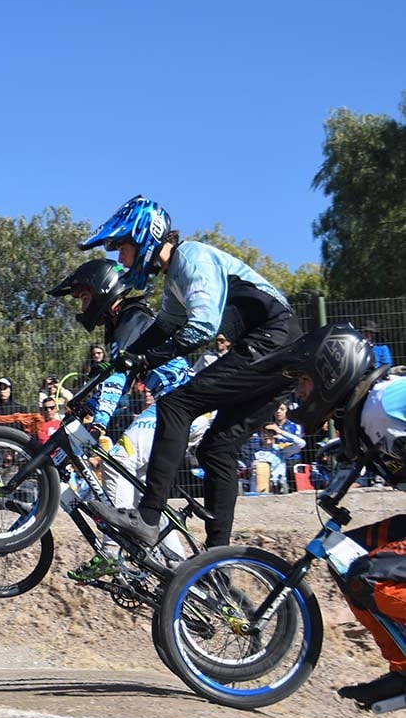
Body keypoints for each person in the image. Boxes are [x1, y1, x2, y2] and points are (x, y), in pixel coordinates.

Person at [81, 195, 301, 548]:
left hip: (273, 341)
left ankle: (147, 518)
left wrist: (142, 360)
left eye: (121, 248)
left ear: (143, 238)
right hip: (278, 350)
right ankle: (217, 559)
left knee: (175, 406)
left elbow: (201, 328)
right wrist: (123, 362)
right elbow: (165, 327)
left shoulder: (193, 258)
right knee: (217, 448)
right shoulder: (174, 280)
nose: (119, 259)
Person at [251, 323, 406, 709]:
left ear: (331, 370)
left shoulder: (387, 400)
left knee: (371, 575)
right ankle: (403, 670)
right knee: (345, 555)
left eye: (303, 381)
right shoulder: (367, 414)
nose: (299, 393)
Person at [48, 258, 196, 578]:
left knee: (119, 457)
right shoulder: (122, 325)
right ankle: (184, 576)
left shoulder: (131, 319)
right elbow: (118, 378)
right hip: (176, 405)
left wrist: (100, 420)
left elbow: (119, 379)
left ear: (102, 291)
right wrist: (89, 407)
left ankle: (112, 552)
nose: (84, 306)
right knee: (141, 493)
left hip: (182, 403)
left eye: (86, 297)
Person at [238, 422, 305, 494]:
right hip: (255, 489)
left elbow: (301, 443)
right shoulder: (253, 451)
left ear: (274, 434)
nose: (266, 435)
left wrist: (280, 431)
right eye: (263, 433)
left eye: (269, 432)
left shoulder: (281, 450)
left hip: (276, 488)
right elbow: (239, 442)